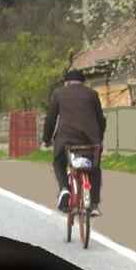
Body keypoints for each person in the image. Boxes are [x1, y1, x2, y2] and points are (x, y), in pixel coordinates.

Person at [41, 69, 107, 216]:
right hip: (90, 141)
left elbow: (51, 119)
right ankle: (94, 205)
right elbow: (101, 119)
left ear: (67, 82)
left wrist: (46, 139)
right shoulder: (92, 94)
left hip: (66, 140)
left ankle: (65, 189)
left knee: (59, 163)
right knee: (95, 168)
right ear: (83, 82)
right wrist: (99, 138)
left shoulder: (59, 93)